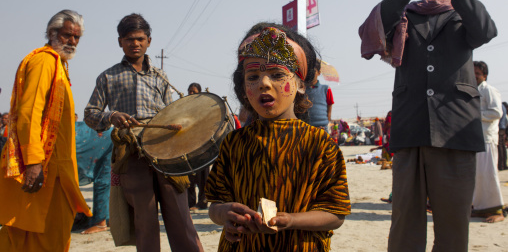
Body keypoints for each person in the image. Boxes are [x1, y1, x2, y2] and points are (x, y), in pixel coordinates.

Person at [359, 0, 497, 251]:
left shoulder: (463, 13)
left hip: (456, 132)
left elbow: (487, 29)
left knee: (453, 227)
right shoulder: (404, 15)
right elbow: (371, 29)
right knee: (405, 224)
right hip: (411, 130)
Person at [205, 24, 351, 251]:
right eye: (253, 76)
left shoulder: (320, 145)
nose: (263, 83)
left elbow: (335, 213)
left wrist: (292, 220)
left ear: (301, 84)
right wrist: (224, 214)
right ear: (244, 88)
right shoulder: (234, 144)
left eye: (276, 74)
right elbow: (215, 205)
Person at [84, 13, 203, 252]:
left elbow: (171, 114)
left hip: (165, 150)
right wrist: (111, 116)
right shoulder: (108, 76)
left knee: (180, 215)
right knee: (144, 218)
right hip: (131, 154)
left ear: (149, 40)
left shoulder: (161, 76)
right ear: (120, 42)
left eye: (139, 38)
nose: (134, 43)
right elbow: (90, 113)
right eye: (129, 39)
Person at [0, 10, 91, 251]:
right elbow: (29, 112)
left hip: (56, 170)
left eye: (77, 37)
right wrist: (33, 163)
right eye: (66, 35)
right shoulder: (44, 61)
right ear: (52, 34)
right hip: (45, 170)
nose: (72, 42)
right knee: (39, 239)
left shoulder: (58, 65)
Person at [471, 61, 504, 223]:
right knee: (478, 176)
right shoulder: (472, 91)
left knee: (488, 174)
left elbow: (496, 112)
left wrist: (474, 113)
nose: (474, 76)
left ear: (484, 75)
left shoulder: (489, 90)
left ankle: (498, 210)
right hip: (475, 139)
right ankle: (480, 208)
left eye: (477, 74)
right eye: (473, 73)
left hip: (487, 138)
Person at [74, 121, 114, 234]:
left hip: (101, 139)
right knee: (105, 179)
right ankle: (105, 218)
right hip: (96, 135)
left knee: (103, 180)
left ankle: (101, 223)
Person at [186, 82, 209, 211]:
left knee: (203, 176)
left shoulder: (203, 108)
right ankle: (190, 202)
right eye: (190, 91)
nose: (191, 94)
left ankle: (203, 201)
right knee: (189, 176)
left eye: (194, 92)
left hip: (202, 146)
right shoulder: (184, 107)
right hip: (188, 147)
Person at [306, 60, 334, 132]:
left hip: (323, 127)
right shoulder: (302, 90)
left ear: (319, 73)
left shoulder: (326, 89)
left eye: (313, 71)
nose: (311, 74)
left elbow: (329, 107)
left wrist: (326, 121)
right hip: (307, 127)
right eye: (309, 71)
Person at [498, 102, 507, 171]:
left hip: (499, 127)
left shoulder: (500, 106)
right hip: (503, 128)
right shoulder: (503, 107)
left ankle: (501, 165)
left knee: (500, 147)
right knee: (502, 146)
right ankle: (504, 164)